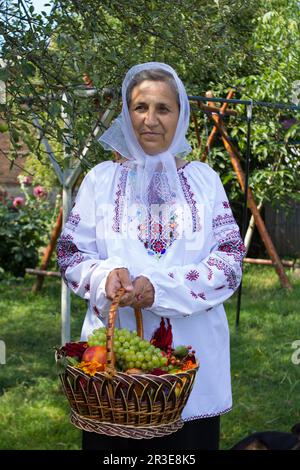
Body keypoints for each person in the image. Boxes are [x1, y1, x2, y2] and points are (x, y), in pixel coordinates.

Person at [57, 62, 246, 450]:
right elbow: (70, 252)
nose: (151, 120)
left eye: (164, 108)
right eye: (140, 107)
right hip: (113, 370)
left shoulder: (205, 181)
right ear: (127, 114)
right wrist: (104, 276)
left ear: (181, 115)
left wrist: (157, 288)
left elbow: (228, 262)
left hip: (192, 367)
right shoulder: (101, 180)